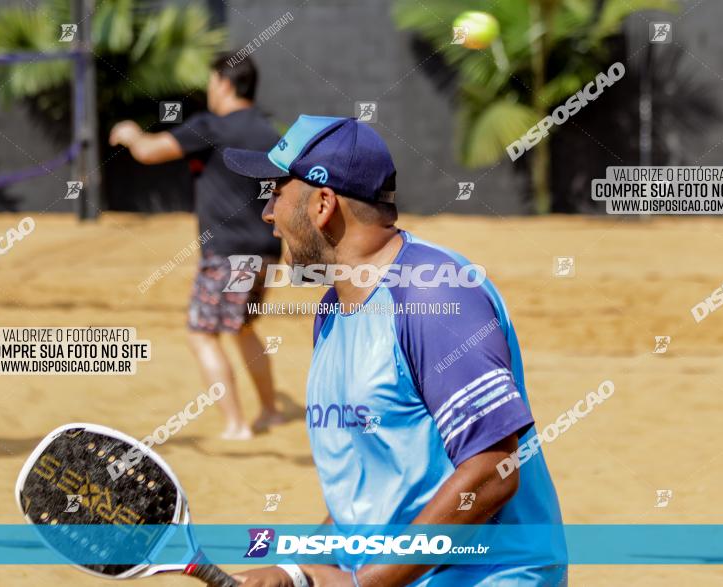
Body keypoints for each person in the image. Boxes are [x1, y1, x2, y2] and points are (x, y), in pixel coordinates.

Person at [222, 115, 567, 586]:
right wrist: (299, 572)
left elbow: (494, 470)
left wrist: (366, 583)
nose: (267, 214)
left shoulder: (435, 298)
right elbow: (370, 493)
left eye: (276, 193)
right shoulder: (333, 311)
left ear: (323, 204)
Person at [108, 51, 283, 440]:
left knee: (201, 332)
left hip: (226, 251)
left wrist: (131, 133)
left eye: (210, 81)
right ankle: (271, 410)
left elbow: (151, 151)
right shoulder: (269, 133)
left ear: (223, 82)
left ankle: (236, 425)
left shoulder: (213, 126)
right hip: (266, 249)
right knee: (243, 327)